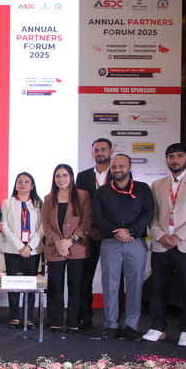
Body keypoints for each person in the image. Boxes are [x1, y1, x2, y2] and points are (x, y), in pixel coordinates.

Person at [143, 143, 186, 348]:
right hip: (162, 244)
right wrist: (160, 235)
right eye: (171, 156)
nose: (175, 160)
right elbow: (152, 215)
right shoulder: (157, 184)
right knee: (158, 288)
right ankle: (157, 327)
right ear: (166, 160)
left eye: (179, 156)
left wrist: (179, 236)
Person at [91, 153, 154, 341]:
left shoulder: (142, 189)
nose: (118, 170)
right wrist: (117, 232)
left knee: (135, 284)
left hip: (135, 241)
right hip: (111, 241)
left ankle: (131, 325)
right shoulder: (102, 191)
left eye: (122, 166)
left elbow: (148, 214)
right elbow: (97, 216)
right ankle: (111, 324)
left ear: (129, 167)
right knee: (110, 284)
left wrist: (130, 231)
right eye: (114, 167)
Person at [42, 164, 91, 333]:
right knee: (55, 285)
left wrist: (71, 241)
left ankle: (73, 322)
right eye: (57, 176)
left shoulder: (83, 196)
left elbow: (86, 221)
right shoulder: (49, 198)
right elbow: (46, 224)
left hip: (77, 247)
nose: (61, 179)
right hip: (55, 248)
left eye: (64, 175)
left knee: (75, 285)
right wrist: (58, 242)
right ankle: (55, 321)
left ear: (71, 177)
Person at [75, 138, 113, 329]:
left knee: (113, 279)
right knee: (85, 278)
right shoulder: (83, 177)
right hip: (88, 235)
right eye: (96, 150)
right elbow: (79, 207)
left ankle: (114, 321)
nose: (100, 153)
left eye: (103, 149)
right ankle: (85, 316)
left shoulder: (118, 174)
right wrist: (89, 230)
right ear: (92, 153)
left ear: (111, 152)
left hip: (112, 235)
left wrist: (105, 229)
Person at [0, 172, 43, 329]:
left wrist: (29, 246)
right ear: (16, 185)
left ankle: (29, 317)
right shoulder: (8, 202)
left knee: (30, 284)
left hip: (33, 250)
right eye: (20, 181)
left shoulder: (39, 204)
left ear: (32, 185)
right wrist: (20, 246)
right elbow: (4, 226)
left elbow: (42, 228)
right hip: (13, 249)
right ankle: (15, 317)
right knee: (13, 284)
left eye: (27, 181)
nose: (23, 184)